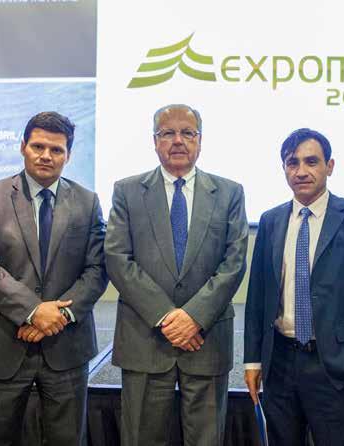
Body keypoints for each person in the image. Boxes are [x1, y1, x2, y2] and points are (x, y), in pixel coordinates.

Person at [105, 104, 248, 446]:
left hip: (206, 339)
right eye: (168, 133)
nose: (178, 140)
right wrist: (168, 317)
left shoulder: (229, 192)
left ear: (200, 140)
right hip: (145, 338)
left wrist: (194, 317)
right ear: (154, 141)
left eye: (188, 133)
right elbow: (117, 258)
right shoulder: (127, 190)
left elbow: (234, 262)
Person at [0, 111, 109, 445]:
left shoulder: (87, 203)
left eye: (56, 149)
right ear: (22, 147)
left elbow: (97, 269)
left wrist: (58, 315)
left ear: (68, 155)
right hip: (2, 343)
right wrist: (34, 311)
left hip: (66, 345)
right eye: (38, 146)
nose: (46, 155)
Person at [243, 128, 344, 446]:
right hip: (279, 362)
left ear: (329, 166)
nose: (301, 171)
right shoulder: (270, 220)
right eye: (292, 162)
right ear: (284, 168)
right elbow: (257, 297)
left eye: (311, 161)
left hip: (334, 365)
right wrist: (253, 360)